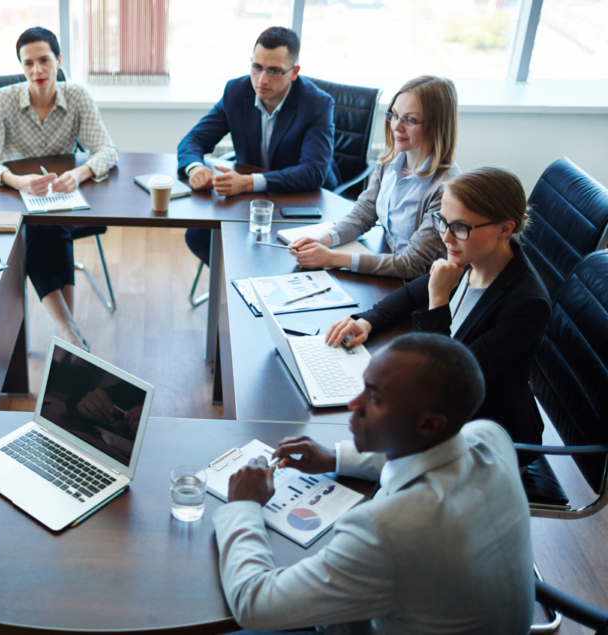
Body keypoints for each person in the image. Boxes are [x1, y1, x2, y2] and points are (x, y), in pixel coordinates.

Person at [215, 333, 534, 634]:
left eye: (375, 399)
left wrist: (244, 504)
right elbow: (433, 451)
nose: (355, 404)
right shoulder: (490, 436)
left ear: (428, 423)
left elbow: (253, 605)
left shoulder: (387, 530)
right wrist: (335, 457)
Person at [325, 167, 551, 452]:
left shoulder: (527, 304)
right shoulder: (473, 255)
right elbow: (408, 295)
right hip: (444, 412)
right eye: (442, 222)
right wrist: (367, 322)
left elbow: (447, 379)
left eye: (460, 227)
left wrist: (438, 299)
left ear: (505, 228)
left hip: (488, 435)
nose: (446, 237)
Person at [0, 26, 119, 350]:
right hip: (12, 196)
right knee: (38, 230)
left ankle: (67, 331)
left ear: (59, 60)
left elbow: (107, 151)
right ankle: (69, 329)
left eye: (44, 60)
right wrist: (17, 180)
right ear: (21, 66)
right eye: (28, 63)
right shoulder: (2, 100)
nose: (37, 70)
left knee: (53, 226)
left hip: (60, 193)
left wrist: (80, 173)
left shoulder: (77, 96)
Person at [177, 26, 340, 266]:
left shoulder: (317, 103)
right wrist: (194, 168)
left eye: (274, 71)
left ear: (294, 72)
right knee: (198, 236)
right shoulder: (236, 91)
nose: (262, 80)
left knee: (284, 256)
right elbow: (193, 140)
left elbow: (313, 172)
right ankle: (239, 283)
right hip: (249, 200)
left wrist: (247, 182)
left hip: (303, 200)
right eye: (256, 67)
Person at [289, 76, 461, 278]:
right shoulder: (390, 162)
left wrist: (331, 258)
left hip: (421, 283)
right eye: (395, 115)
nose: (396, 126)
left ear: (437, 125)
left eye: (410, 120)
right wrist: (323, 239)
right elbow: (363, 215)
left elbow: (413, 263)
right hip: (386, 262)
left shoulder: (445, 188)